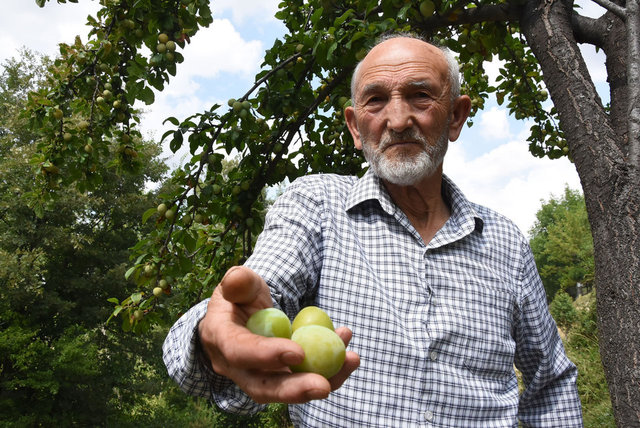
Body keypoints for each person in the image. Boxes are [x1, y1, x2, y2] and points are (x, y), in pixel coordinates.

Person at [163, 34, 583, 427]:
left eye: (420, 96)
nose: (398, 120)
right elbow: (266, 286)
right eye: (376, 101)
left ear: (455, 116)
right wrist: (214, 332)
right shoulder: (317, 204)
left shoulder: (505, 241)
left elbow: (552, 384)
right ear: (354, 127)